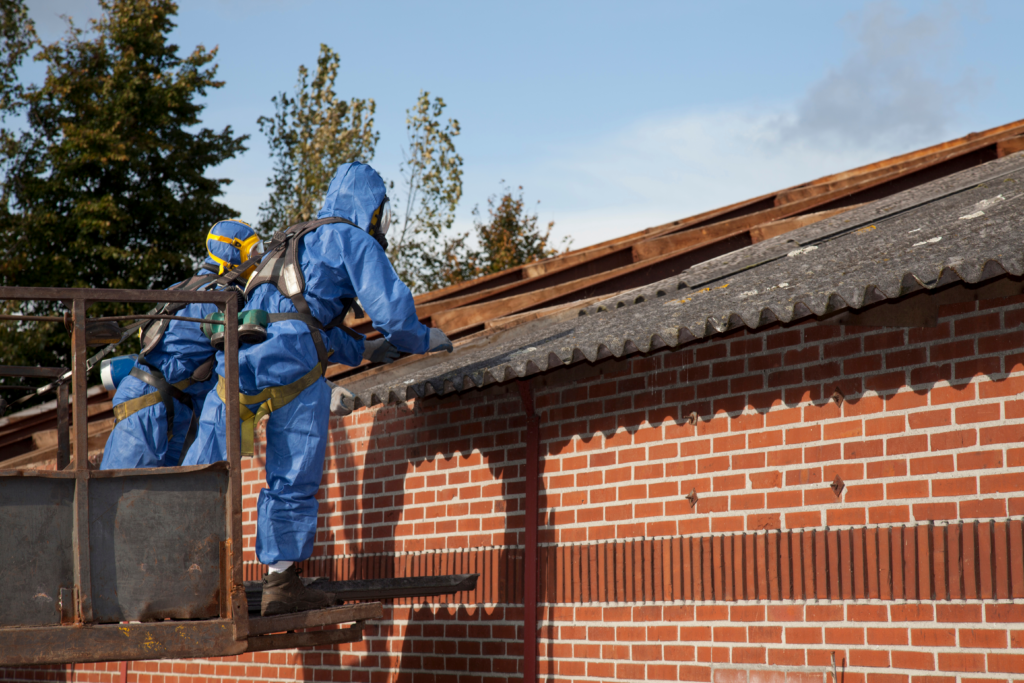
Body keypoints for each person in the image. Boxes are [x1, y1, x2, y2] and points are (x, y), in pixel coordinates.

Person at [183, 162, 453, 616]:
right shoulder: (353, 238)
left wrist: (364, 351)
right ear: (373, 208)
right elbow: (393, 315)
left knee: (202, 472)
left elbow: (300, 316)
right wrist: (422, 339)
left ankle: (176, 570)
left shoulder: (293, 240)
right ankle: (282, 582)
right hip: (294, 366)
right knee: (292, 472)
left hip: (238, 362)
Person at [101, 220, 261, 470]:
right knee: (123, 494)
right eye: (252, 251)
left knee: (162, 498)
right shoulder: (220, 299)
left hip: (170, 404)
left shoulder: (184, 288)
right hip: (148, 402)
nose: (257, 259)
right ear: (233, 251)